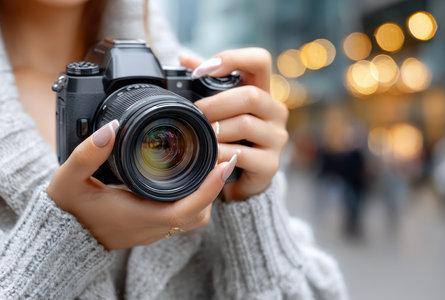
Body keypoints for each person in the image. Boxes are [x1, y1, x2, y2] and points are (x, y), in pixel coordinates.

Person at [0, 0, 348, 299]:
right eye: (158, 145)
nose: (163, 146)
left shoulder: (206, 94)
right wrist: (62, 244)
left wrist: (252, 211)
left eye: (163, 145)